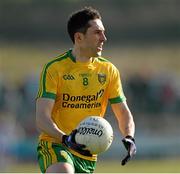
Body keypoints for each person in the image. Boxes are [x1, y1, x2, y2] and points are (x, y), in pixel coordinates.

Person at [36, 6, 136, 173]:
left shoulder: (108, 70)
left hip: (87, 153)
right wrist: (66, 139)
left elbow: (123, 112)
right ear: (79, 37)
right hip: (56, 144)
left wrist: (129, 137)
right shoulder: (54, 69)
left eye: (103, 32)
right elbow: (41, 118)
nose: (104, 38)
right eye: (97, 33)